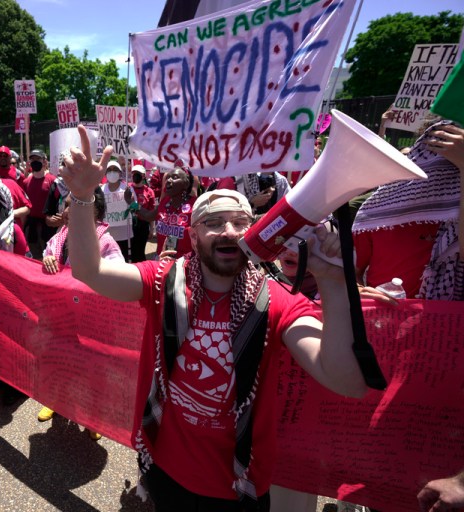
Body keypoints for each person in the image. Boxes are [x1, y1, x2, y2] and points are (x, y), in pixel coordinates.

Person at [61, 125, 366, 512]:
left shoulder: (277, 300)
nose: (229, 231)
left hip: (237, 486)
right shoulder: (163, 279)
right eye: (214, 222)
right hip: (166, 470)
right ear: (193, 232)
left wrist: (333, 280)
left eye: (240, 222)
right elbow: (90, 271)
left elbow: (347, 382)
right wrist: (84, 196)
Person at [38, 187, 122, 440]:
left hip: (90, 318)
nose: (64, 211)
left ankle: (93, 416)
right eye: (64, 205)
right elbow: (47, 253)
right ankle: (57, 401)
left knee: (90, 367)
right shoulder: (60, 235)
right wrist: (46, 260)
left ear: (93, 211)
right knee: (60, 358)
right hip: (61, 313)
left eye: (71, 205)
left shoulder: (105, 240)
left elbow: (118, 273)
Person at [353, 121, 464, 300]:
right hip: (380, 322)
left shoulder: (455, 221)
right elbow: (350, 273)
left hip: (445, 323)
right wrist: (358, 289)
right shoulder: (377, 215)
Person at [21, 149, 57, 259]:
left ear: (45, 162)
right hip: (31, 226)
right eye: (33, 159)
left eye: (38, 159)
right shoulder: (26, 182)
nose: (35, 162)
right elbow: (24, 205)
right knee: (35, 257)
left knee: (50, 256)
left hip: (48, 226)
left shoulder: (52, 180)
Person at [155, 166, 196, 258]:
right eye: (167, 177)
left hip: (185, 263)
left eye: (174, 177)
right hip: (161, 259)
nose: (168, 181)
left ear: (186, 184)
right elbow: (148, 215)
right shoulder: (164, 202)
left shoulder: (195, 205)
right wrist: (132, 203)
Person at [124, 164, 157, 262]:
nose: (135, 175)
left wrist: (152, 229)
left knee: (140, 251)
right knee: (129, 250)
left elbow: (152, 212)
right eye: (133, 173)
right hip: (129, 224)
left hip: (143, 225)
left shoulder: (149, 191)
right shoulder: (127, 189)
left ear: (143, 176)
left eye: (137, 173)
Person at [101, 160, 133, 260]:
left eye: (115, 170)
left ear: (120, 173)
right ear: (105, 173)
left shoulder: (127, 189)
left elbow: (136, 207)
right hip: (107, 233)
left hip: (124, 233)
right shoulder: (101, 190)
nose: (112, 172)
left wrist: (131, 202)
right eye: (109, 170)